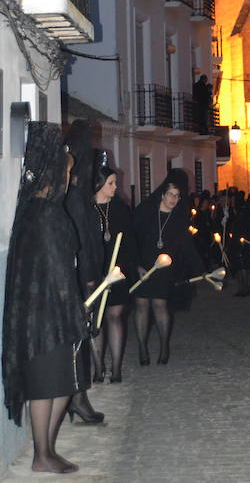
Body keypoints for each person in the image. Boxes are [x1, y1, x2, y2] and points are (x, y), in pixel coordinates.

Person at [3, 122, 88, 474]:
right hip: (47, 318)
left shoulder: (35, 211)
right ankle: (42, 453)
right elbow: (57, 270)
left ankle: (47, 450)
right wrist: (75, 309)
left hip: (45, 315)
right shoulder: (45, 215)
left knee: (63, 383)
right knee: (47, 384)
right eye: (66, 172)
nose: (69, 180)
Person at [133, 169, 204, 365]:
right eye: (170, 194)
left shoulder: (179, 220)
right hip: (143, 266)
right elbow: (133, 239)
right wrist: (137, 265)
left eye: (177, 196)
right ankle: (142, 347)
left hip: (164, 269)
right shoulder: (145, 212)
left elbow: (187, 247)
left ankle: (164, 346)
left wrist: (201, 269)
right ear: (162, 194)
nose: (173, 199)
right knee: (141, 305)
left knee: (159, 304)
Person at [62, 120, 104, 425]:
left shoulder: (74, 192)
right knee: (79, 340)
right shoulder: (75, 196)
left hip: (77, 276)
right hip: (79, 278)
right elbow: (82, 241)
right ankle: (78, 398)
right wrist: (90, 278)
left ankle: (77, 397)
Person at [91, 152, 138, 383]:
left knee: (116, 315)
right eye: (110, 183)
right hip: (96, 271)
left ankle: (117, 367)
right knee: (96, 320)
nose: (115, 186)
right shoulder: (87, 209)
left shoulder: (120, 209)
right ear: (98, 184)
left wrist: (129, 267)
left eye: (115, 182)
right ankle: (98, 367)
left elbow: (129, 240)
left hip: (117, 270)